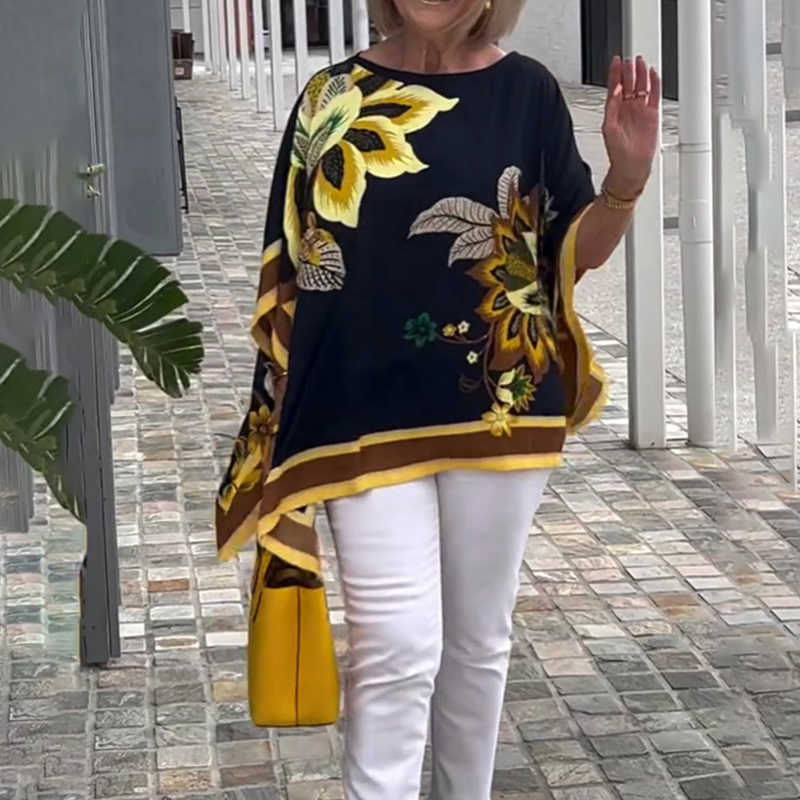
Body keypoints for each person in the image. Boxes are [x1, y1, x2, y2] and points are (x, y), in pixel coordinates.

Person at [216, 0, 660, 795]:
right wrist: (281, 416)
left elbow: (571, 252)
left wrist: (625, 183)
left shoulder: (528, 92)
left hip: (499, 406)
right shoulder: (328, 98)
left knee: (478, 645)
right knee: (395, 646)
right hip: (357, 416)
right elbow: (290, 267)